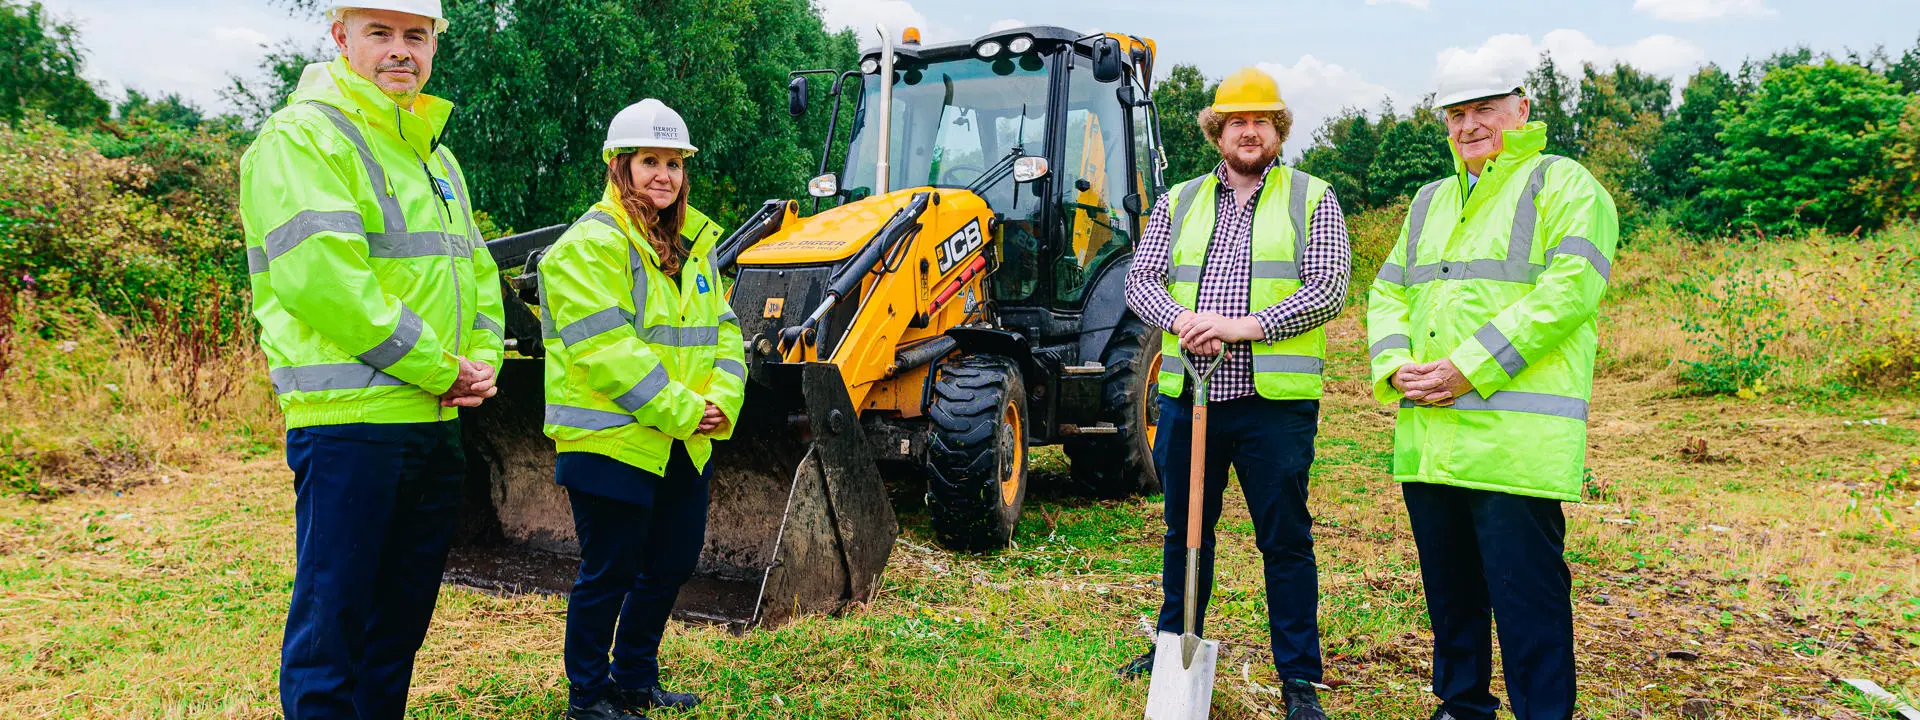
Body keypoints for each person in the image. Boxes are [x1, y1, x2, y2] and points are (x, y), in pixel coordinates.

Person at [237, 1, 505, 717]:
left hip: (434, 419)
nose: (399, 51)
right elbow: (325, 283)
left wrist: (479, 360)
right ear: (340, 38)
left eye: (415, 36)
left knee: (397, 631)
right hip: (350, 423)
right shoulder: (304, 136)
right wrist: (439, 366)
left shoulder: (433, 154)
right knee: (335, 630)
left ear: (433, 46)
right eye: (379, 33)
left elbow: (474, 271)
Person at [1365, 65, 1618, 720]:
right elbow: (1387, 291)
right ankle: (1462, 705)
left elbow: (1570, 292)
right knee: (1451, 597)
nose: (1470, 125)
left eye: (1485, 109)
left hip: (1515, 443)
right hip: (1432, 437)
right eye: (1456, 114)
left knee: (1527, 600)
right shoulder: (1429, 202)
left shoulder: (1563, 185)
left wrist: (1469, 368)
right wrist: (1395, 366)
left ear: (1521, 108)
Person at [1120, 66, 1352, 720]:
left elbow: (1328, 287)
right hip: (1189, 399)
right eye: (1236, 122)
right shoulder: (1180, 200)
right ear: (1217, 131)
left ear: (1277, 129)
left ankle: (1299, 680)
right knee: (1185, 531)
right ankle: (1172, 644)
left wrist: (1241, 328)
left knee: (1284, 540)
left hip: (1270, 405)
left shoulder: (1314, 198)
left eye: (1261, 121)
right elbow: (1142, 282)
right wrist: (1181, 321)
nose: (1248, 132)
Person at [538, 98, 744, 720]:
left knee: (672, 562)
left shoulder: (694, 247)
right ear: (619, 167)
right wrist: (687, 407)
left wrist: (721, 401)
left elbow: (726, 332)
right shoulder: (587, 247)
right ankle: (588, 695)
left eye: (674, 163)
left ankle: (633, 679)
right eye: (649, 161)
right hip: (612, 442)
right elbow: (606, 351)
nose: (664, 175)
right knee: (610, 571)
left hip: (685, 438)